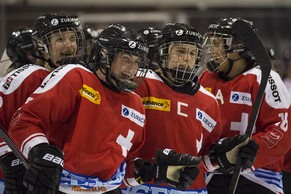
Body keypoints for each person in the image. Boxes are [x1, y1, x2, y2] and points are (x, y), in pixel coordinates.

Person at [8, 23, 199, 194]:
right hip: (57, 187)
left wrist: (157, 171)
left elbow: (123, 168)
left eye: (136, 62)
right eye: (125, 59)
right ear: (104, 55)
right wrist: (39, 151)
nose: (131, 69)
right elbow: (24, 121)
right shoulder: (76, 77)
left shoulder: (136, 104)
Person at [122, 22, 258, 194]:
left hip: (191, 190)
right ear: (163, 53)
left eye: (193, 53)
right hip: (139, 186)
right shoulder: (140, 84)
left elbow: (205, 159)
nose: (187, 58)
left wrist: (225, 156)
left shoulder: (208, 101)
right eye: (180, 51)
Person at [199, 17, 291, 194]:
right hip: (212, 173)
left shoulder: (265, 79)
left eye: (218, 43)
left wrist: (252, 150)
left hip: (258, 177)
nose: (212, 50)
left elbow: (282, 129)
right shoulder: (206, 78)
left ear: (237, 47)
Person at [0, 12, 85, 193]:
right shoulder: (28, 76)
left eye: (72, 38)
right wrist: (8, 157)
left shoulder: (83, 79)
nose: (69, 44)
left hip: (62, 182)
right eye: (60, 39)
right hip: (22, 179)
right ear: (42, 46)